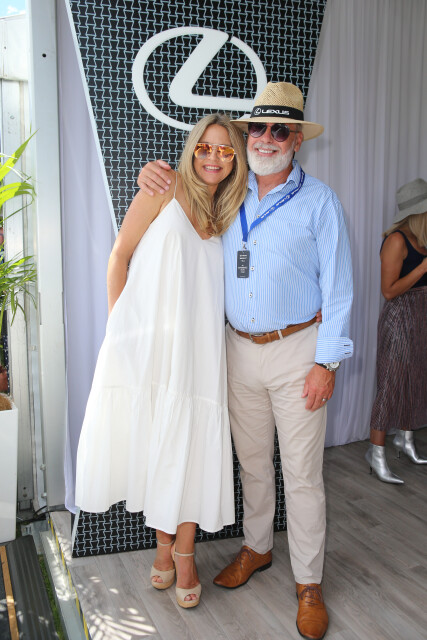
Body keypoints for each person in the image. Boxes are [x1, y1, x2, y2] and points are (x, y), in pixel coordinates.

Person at [138, 82, 353, 640]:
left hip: (298, 352)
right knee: (252, 465)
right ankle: (257, 548)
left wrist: (326, 363)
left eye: (280, 129)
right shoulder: (227, 195)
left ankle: (308, 583)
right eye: (258, 127)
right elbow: (176, 203)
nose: (266, 138)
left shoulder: (321, 202)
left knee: (302, 476)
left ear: (297, 140)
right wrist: (151, 176)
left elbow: (340, 289)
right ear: (247, 135)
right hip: (234, 351)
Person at [75, 113, 248, 609]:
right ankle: (164, 547)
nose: (213, 157)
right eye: (205, 147)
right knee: (156, 442)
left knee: (190, 448)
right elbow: (119, 256)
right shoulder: (162, 187)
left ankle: (183, 554)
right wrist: (118, 331)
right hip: (147, 345)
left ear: (235, 161)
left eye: (225, 150)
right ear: (191, 150)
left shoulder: (230, 213)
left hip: (200, 350)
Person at [365, 178, 427, 483]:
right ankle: (375, 453)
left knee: (417, 380)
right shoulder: (397, 241)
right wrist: (423, 268)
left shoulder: (422, 239)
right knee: (390, 385)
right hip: (400, 318)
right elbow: (388, 291)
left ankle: (406, 439)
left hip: (421, 316)